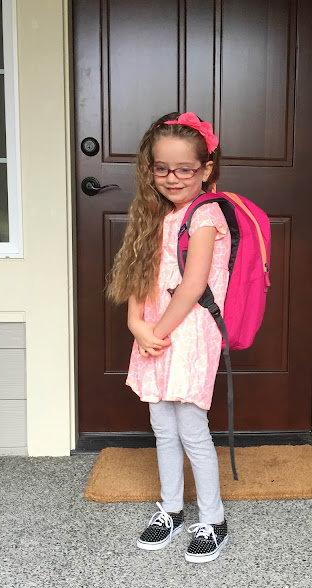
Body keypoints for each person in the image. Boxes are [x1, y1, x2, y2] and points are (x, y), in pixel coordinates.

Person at [107, 112, 230, 563]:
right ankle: (172, 509)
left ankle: (213, 520)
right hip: (154, 334)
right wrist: (135, 324)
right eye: (162, 168)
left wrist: (153, 332)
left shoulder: (205, 216)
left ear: (206, 169)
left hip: (189, 335)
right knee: (162, 426)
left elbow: (193, 286)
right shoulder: (156, 214)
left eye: (184, 169)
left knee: (192, 430)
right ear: (150, 169)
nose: (172, 177)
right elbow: (138, 276)